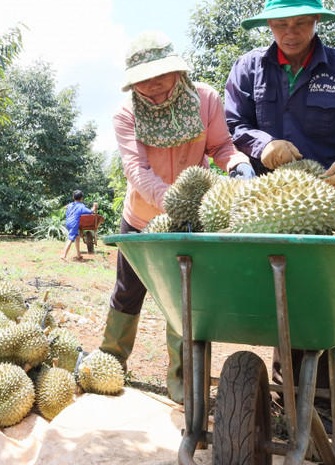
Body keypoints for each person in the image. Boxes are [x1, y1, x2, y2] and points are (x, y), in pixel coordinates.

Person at [224, 0, 335, 429]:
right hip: (265, 210)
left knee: (317, 307)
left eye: (301, 22)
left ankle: (330, 414)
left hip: (328, 212)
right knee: (278, 301)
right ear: (269, 26)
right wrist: (262, 145)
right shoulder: (248, 69)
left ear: (317, 21)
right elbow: (234, 125)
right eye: (281, 24)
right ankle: (288, 400)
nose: (291, 32)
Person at [100, 30, 254, 404]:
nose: (152, 85)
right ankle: (110, 363)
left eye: (159, 75)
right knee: (127, 292)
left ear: (177, 71)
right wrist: (173, 200)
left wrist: (237, 163)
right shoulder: (126, 114)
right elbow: (136, 169)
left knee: (186, 299)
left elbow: (220, 146)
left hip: (191, 220)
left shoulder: (205, 100)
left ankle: (184, 383)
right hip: (141, 217)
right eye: (142, 79)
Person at [60, 190, 98, 262]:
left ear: (73, 197)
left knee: (77, 237)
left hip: (68, 223)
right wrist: (94, 206)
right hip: (74, 223)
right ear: (81, 198)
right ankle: (64, 255)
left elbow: (67, 206)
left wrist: (67, 207)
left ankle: (78, 255)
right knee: (71, 238)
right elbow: (90, 212)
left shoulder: (70, 204)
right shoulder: (81, 206)